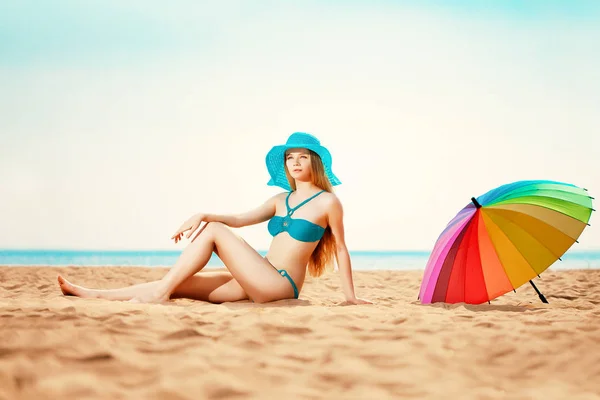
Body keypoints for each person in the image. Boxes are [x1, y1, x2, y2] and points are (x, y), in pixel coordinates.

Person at [57, 132, 372, 305]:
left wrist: (351, 298)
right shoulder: (279, 200)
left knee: (214, 231)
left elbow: (341, 249)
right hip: (254, 279)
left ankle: (157, 295)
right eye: (290, 157)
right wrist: (203, 213)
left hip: (280, 286)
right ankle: (90, 293)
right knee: (178, 284)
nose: (295, 162)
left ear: (315, 162)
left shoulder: (328, 202)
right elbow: (238, 219)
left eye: (302, 156)